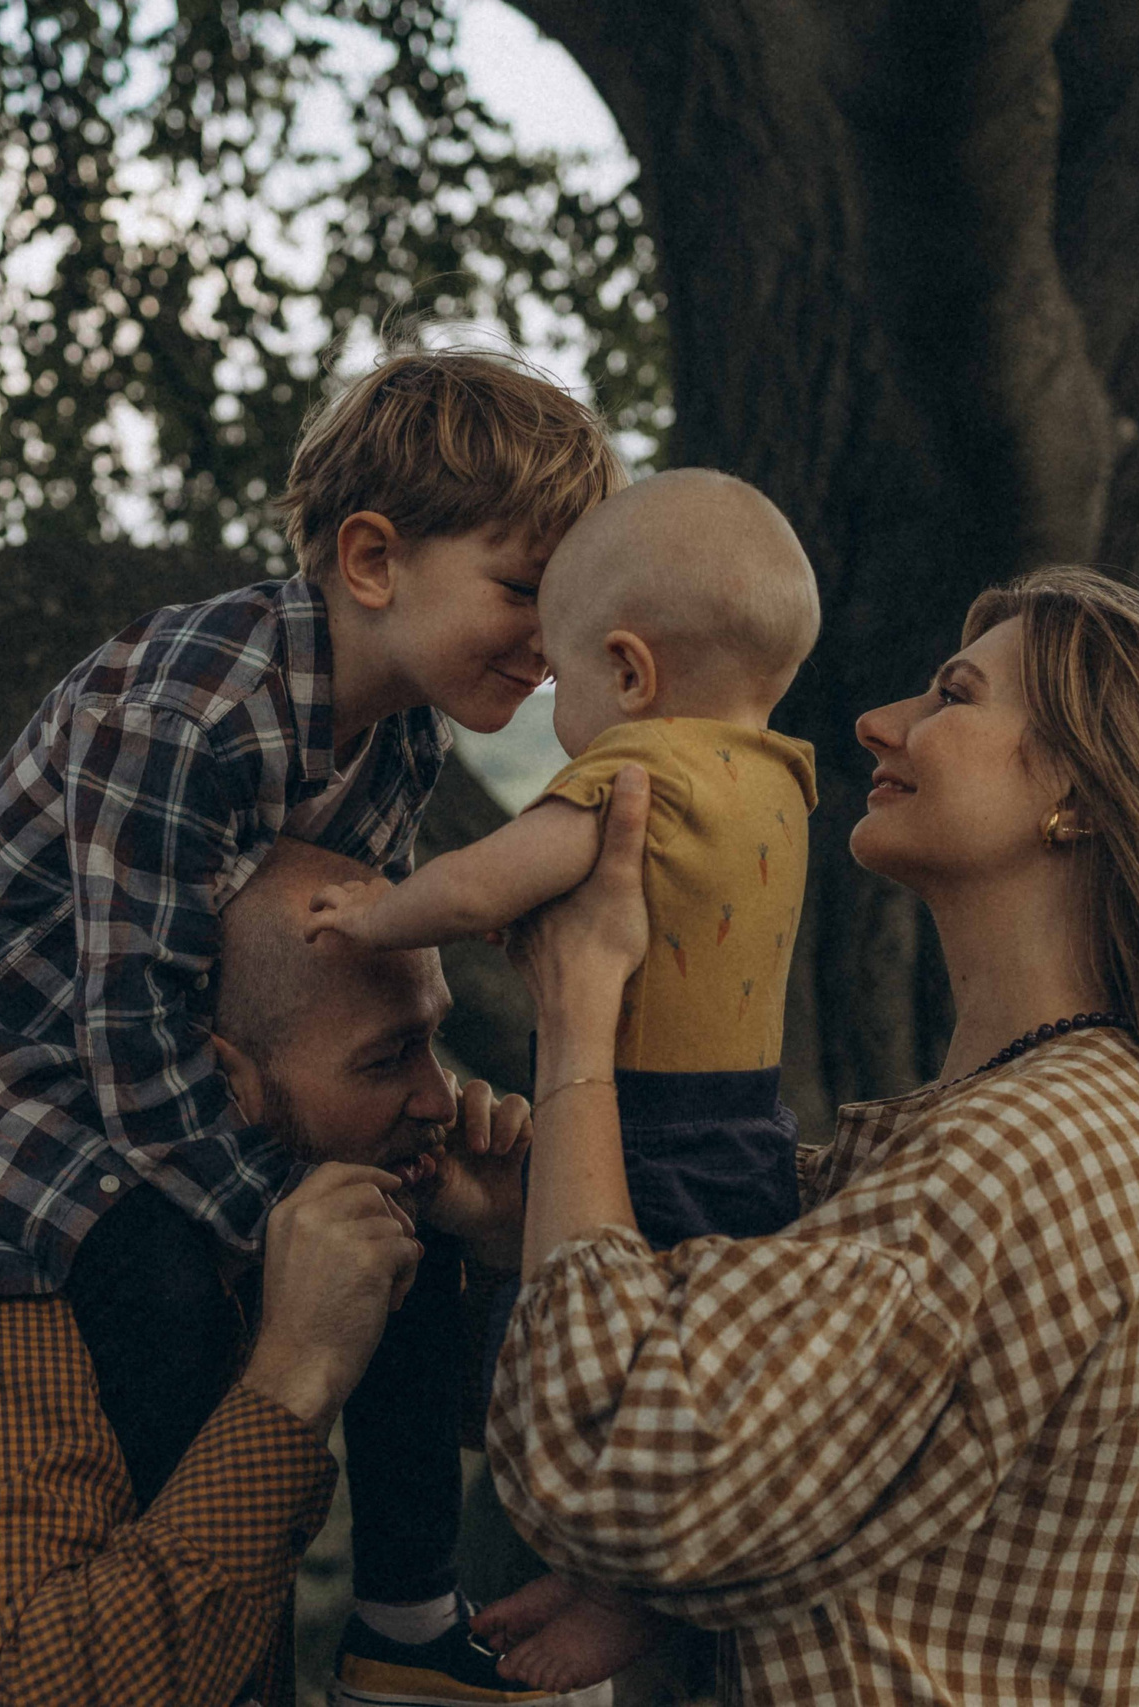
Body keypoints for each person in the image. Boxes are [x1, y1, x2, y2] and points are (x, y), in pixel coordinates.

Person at [0, 348, 620, 1700]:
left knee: (393, 1217)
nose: (548, 644)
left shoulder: (400, 739)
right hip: (0, 1033)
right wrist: (269, 1234)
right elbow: (133, 1016)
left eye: (565, 607)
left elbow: (346, 965)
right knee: (157, 1264)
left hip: (168, 1032)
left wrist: (413, 1176)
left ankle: (404, 1612)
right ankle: (212, 1644)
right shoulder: (192, 714)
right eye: (520, 591)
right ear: (375, 560)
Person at [478, 568, 1139, 1700]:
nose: (877, 724)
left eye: (952, 698)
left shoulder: (1022, 1149)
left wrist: (578, 1020)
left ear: (1085, 794)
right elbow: (828, 1468)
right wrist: (525, 1205)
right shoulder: (1038, 1120)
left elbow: (622, 1464)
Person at [0, 841, 538, 1705]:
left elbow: (504, 1432)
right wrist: (293, 1379)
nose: (440, 1095)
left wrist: (498, 1246)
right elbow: (25, 1690)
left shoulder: (264, 1221)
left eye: (433, 1038)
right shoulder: (6, 1305)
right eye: (387, 1060)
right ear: (224, 1079)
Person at [304, 466, 823, 1686]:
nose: (554, 698)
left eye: (568, 671)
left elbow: (490, 877)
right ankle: (652, 1604)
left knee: (593, 1380)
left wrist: (380, 914)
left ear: (632, 673)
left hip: (633, 1131)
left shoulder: (638, 768)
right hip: (750, 1131)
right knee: (703, 1372)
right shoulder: (782, 783)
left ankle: (596, 1567)